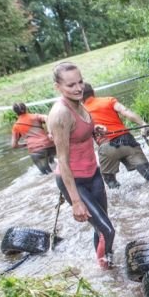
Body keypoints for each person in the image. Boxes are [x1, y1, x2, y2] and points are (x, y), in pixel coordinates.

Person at [47, 62, 117, 269]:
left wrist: (96, 130)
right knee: (107, 230)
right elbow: (63, 161)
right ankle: (105, 272)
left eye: (80, 82)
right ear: (58, 87)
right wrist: (76, 202)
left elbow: (81, 132)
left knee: (102, 227)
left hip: (93, 173)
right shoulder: (61, 114)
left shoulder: (80, 103)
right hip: (74, 180)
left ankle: (109, 265)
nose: (78, 88)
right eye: (70, 85)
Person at [82, 83, 149, 188]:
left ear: (80, 97)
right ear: (93, 92)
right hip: (128, 142)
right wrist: (143, 124)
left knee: (111, 184)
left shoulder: (81, 112)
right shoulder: (108, 100)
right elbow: (125, 111)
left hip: (107, 148)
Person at [10, 102, 56, 174]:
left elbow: (14, 145)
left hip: (36, 150)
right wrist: (50, 132)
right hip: (50, 145)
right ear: (26, 108)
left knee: (46, 173)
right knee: (54, 164)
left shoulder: (16, 126)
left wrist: (26, 144)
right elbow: (47, 118)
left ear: (15, 112)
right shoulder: (35, 116)